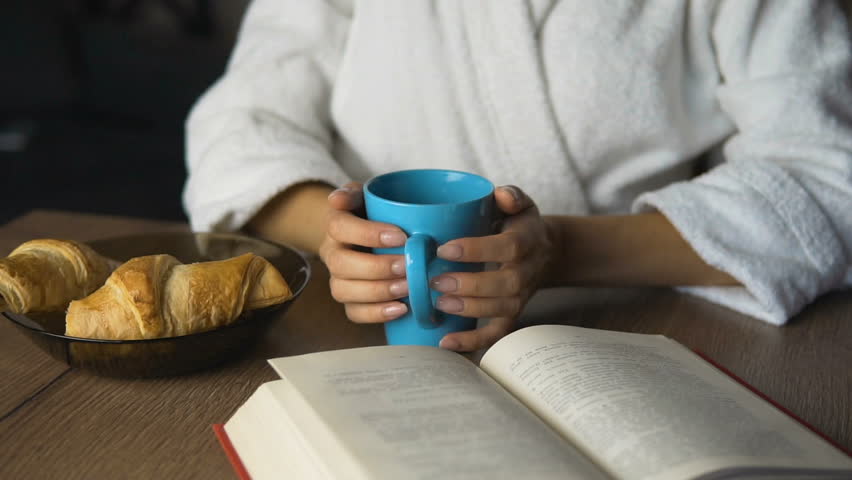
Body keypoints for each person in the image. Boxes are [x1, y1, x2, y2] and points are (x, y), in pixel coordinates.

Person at [183, 0, 852, 352]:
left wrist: (559, 250)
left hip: (633, 330)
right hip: (359, 331)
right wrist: (346, 241)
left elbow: (829, 178)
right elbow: (241, 126)